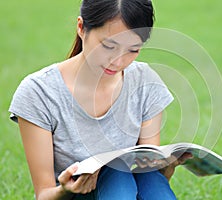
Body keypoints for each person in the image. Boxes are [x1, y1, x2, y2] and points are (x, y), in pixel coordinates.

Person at [9, 0, 191, 199]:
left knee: (141, 177)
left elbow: (146, 178)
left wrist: (165, 168)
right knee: (117, 174)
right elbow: (43, 194)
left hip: (126, 191)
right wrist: (66, 189)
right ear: (81, 28)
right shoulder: (39, 92)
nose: (118, 61)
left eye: (133, 50)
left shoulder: (145, 82)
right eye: (108, 46)